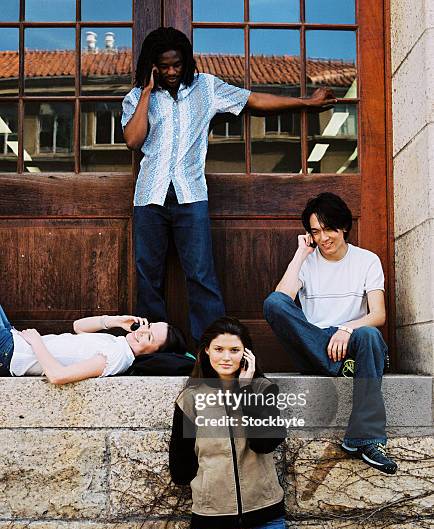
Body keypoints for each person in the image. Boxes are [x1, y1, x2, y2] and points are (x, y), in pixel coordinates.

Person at [122, 26, 337, 343]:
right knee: (148, 278)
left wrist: (305, 103)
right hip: (148, 198)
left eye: (176, 64)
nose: (171, 71)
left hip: (190, 196)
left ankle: (214, 351)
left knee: (201, 276)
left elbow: (255, 100)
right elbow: (132, 140)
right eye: (163, 66)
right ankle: (154, 353)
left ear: (186, 61)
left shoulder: (206, 88)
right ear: (152, 65)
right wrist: (145, 92)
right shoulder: (136, 98)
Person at [169, 317, 308, 529]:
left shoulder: (262, 390)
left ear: (246, 354)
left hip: (268, 528)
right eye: (219, 349)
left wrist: (245, 390)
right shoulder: (190, 400)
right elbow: (180, 470)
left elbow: (264, 443)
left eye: (234, 350)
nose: (226, 357)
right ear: (206, 351)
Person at [263, 192, 398, 475]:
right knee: (273, 303)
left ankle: (366, 439)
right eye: (315, 231)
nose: (323, 238)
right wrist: (301, 254)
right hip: (315, 347)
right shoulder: (307, 263)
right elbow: (280, 301)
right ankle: (343, 368)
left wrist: (347, 328)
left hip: (352, 342)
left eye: (328, 229)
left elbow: (378, 315)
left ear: (344, 227)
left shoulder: (367, 261)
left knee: (370, 336)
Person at [0, 305, 186, 384]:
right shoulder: (118, 344)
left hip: (12, 351)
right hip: (13, 339)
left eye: (150, 338)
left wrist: (36, 341)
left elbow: (58, 376)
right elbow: (78, 326)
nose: (143, 331)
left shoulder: (116, 358)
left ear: (152, 354)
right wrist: (116, 321)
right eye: (149, 326)